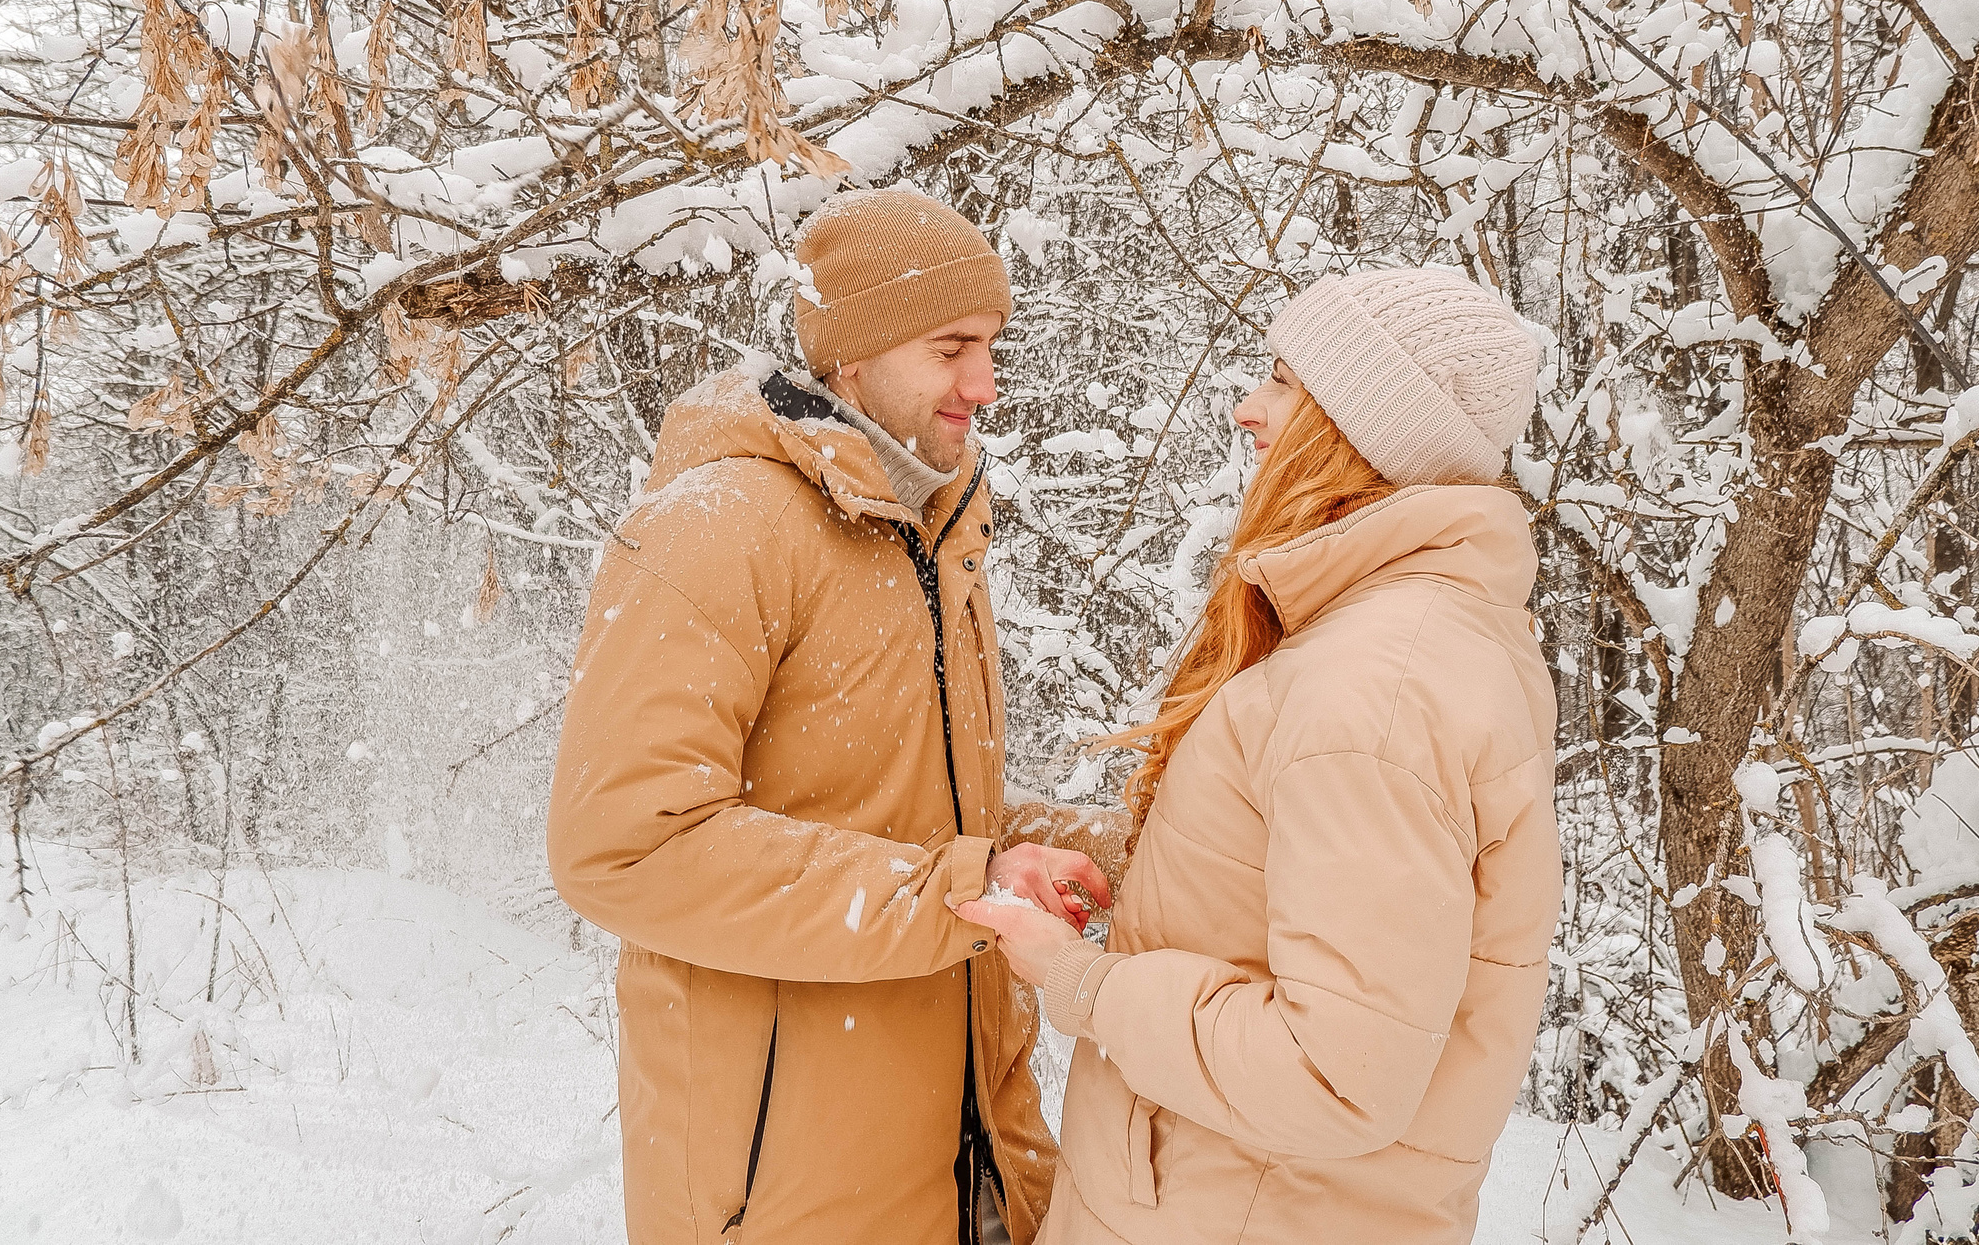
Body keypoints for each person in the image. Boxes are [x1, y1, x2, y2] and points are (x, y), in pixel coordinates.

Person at [548, 189, 1124, 1245]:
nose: (983, 386)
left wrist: (1103, 850)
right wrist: (962, 886)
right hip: (786, 1196)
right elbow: (624, 846)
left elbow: (916, 812)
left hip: (968, 1161)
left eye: (991, 346)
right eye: (952, 348)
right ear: (851, 354)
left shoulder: (932, 531)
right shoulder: (717, 528)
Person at [955, 267, 1556, 1244]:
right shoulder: (1407, 644)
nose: (1246, 409)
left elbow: (1335, 1075)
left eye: (1281, 381)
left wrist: (1078, 980)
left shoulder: (1374, 690)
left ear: (1362, 428)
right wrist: (1128, 868)